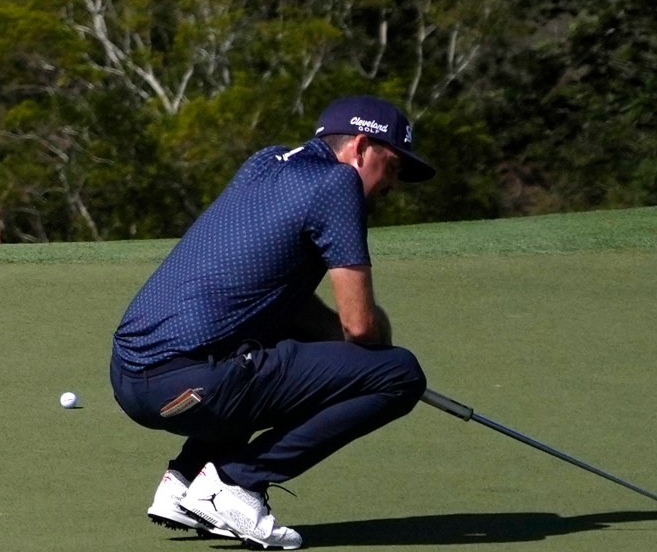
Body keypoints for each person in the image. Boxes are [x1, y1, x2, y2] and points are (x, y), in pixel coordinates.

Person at [108, 95, 435, 550]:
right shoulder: (340, 183)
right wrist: (369, 350)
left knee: (261, 336)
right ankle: (236, 483)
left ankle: (184, 482)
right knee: (400, 374)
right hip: (192, 385)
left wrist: (337, 351)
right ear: (361, 148)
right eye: (394, 166)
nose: (394, 184)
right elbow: (360, 328)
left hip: (131, 379)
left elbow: (282, 301)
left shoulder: (266, 163)